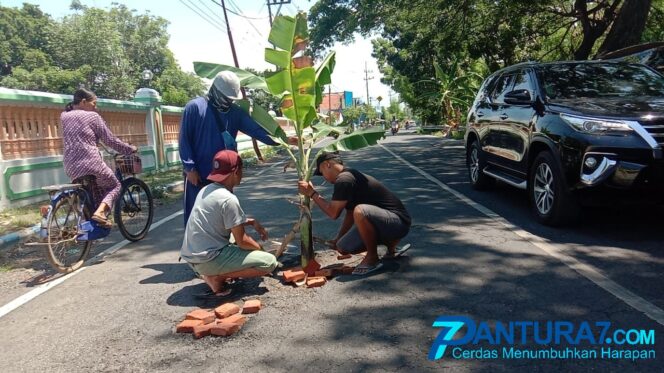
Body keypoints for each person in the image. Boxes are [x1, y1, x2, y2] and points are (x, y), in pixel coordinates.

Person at [179, 71, 294, 225]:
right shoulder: (195, 108)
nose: (228, 101)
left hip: (224, 175)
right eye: (226, 97)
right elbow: (184, 139)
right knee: (196, 214)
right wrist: (190, 168)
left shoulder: (235, 113)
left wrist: (283, 140)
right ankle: (192, 248)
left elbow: (256, 131)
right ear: (216, 91)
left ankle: (220, 247)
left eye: (231, 99)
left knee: (222, 215)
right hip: (198, 175)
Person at [180, 150, 278, 296]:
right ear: (236, 171)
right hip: (207, 260)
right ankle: (215, 277)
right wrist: (259, 249)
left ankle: (211, 272)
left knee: (232, 236)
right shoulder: (228, 199)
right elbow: (242, 241)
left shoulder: (206, 189)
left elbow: (222, 219)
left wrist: (251, 222)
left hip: (191, 257)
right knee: (269, 262)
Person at [297, 152, 411, 275]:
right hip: (389, 223)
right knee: (343, 246)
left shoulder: (345, 179)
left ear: (327, 165)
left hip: (399, 222)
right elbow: (350, 214)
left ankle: (372, 257)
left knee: (361, 211)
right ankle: (391, 248)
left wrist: (312, 193)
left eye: (322, 172)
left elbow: (333, 213)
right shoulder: (348, 176)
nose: (324, 177)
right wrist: (338, 238)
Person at [61, 88, 137, 228]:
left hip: (70, 165)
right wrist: (129, 149)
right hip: (90, 162)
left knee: (92, 192)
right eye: (94, 104)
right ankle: (101, 213)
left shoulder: (64, 116)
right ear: (84, 102)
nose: (96, 107)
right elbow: (110, 140)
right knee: (115, 185)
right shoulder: (93, 117)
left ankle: (90, 224)